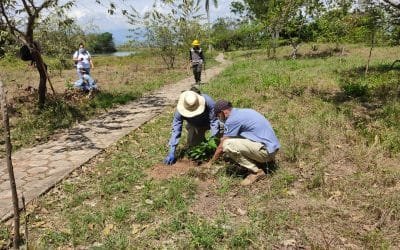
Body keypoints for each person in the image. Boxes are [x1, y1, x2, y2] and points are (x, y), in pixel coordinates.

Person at [207, 100, 280, 186]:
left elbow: (222, 146)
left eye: (218, 115)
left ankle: (256, 172)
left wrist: (211, 163)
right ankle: (260, 161)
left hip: (266, 153)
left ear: (223, 112)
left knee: (227, 144)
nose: (218, 118)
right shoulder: (244, 112)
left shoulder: (232, 120)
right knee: (234, 139)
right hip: (272, 149)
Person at [164, 89, 220, 165]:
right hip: (195, 125)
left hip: (210, 122)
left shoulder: (208, 102)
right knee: (194, 147)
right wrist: (172, 150)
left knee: (221, 140)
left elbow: (214, 121)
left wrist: (213, 139)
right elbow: (176, 130)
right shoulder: (179, 111)